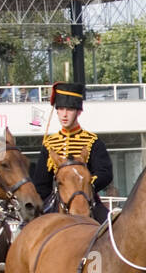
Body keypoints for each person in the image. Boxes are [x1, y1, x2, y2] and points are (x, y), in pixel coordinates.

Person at [31, 82, 113, 222]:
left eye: (69, 110)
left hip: (88, 198)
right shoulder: (50, 143)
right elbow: (41, 183)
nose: (64, 114)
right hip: (56, 201)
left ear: (79, 111)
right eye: (61, 109)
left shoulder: (92, 141)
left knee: (113, 229)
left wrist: (86, 184)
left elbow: (105, 173)